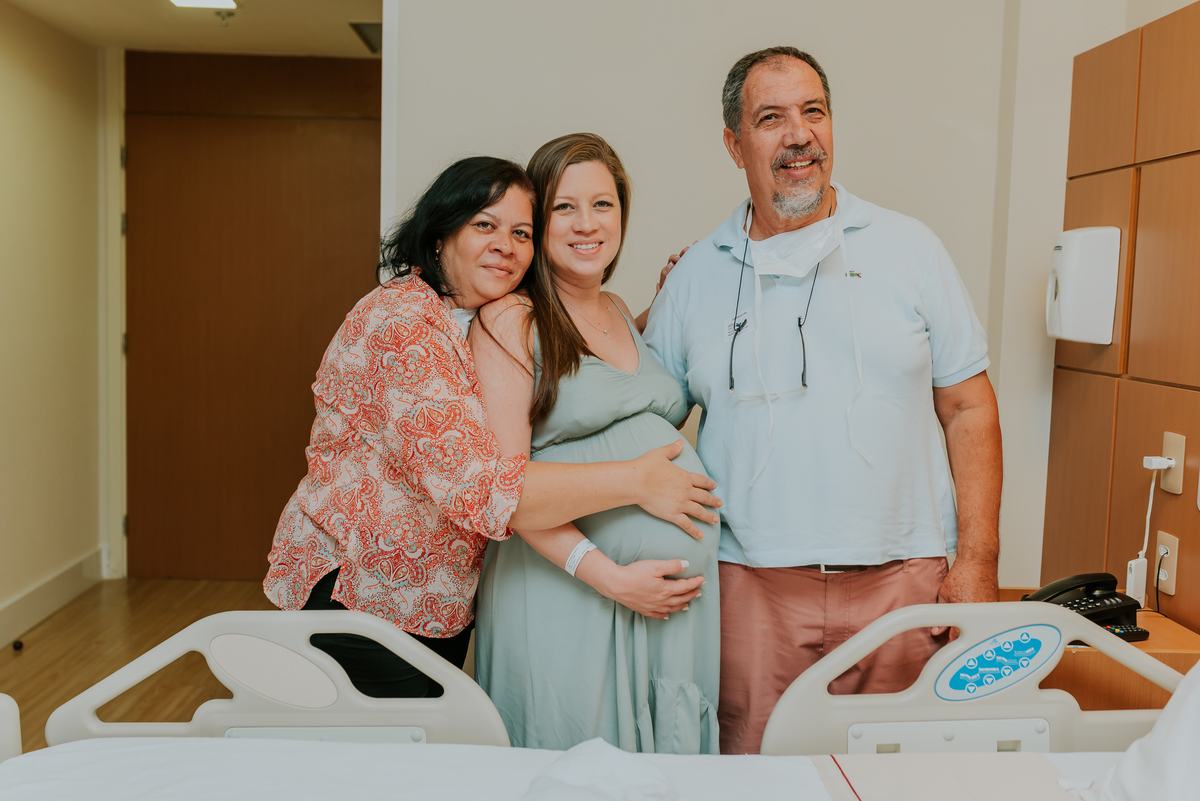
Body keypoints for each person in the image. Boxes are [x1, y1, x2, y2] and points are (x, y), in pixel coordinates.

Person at [642, 47, 1003, 755]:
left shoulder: (910, 248)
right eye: (771, 118)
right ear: (733, 143)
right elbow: (642, 417)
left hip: (905, 578)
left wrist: (978, 563)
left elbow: (970, 408)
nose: (799, 134)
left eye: (813, 112)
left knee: (903, 772)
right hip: (752, 584)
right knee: (750, 769)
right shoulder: (695, 276)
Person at [264, 156, 718, 698]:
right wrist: (638, 482)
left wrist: (654, 309)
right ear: (439, 236)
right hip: (363, 598)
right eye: (484, 225)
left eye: (521, 232)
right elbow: (482, 488)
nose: (506, 244)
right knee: (366, 771)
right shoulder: (403, 325)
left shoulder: (478, 316)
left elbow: (575, 367)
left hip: (436, 599)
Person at [471, 133, 721, 754]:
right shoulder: (511, 319)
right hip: (571, 595)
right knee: (575, 767)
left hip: (663, 609)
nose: (587, 224)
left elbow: (611, 388)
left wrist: (674, 291)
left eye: (603, 205)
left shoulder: (615, 308)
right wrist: (613, 577)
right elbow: (505, 493)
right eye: (564, 207)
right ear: (537, 223)